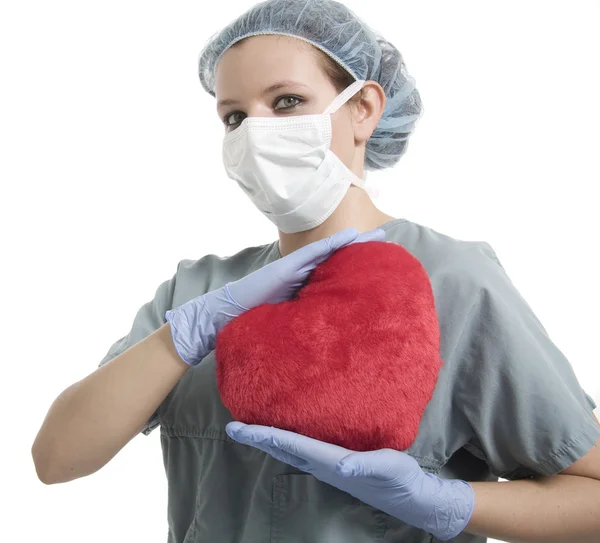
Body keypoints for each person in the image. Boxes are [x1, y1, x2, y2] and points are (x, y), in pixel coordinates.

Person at [31, 1, 600, 542]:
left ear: (364, 109)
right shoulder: (197, 290)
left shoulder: (455, 281)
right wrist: (184, 335)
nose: (254, 132)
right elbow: (56, 459)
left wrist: (448, 504)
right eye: (234, 116)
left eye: (285, 103)